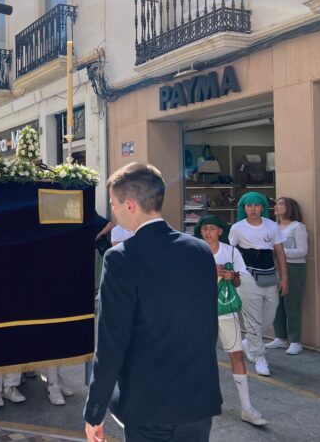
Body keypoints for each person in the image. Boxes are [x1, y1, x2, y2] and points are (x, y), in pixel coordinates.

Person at [84, 162, 221, 442]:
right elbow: (207, 325)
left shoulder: (121, 258)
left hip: (149, 406)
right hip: (198, 401)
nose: (114, 211)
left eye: (114, 203)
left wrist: (94, 410)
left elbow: (112, 343)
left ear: (130, 205)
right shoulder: (200, 250)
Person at [195, 215, 268, 426]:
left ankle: (247, 408)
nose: (208, 232)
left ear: (220, 231)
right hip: (200, 311)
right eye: (204, 228)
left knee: (236, 355)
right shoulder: (194, 250)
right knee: (201, 356)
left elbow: (238, 281)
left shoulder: (232, 251)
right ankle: (205, 399)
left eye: (212, 228)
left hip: (225, 310)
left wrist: (231, 276)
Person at [229, 192, 289, 377]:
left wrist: (284, 278)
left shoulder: (272, 226)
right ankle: (259, 356)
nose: (253, 208)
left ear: (263, 207)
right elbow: (230, 254)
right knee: (253, 319)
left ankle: (250, 343)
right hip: (247, 275)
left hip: (270, 275)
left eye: (256, 205)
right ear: (243, 208)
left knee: (268, 316)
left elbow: (280, 253)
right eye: (249, 205)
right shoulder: (237, 228)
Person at [268, 197, 308, 356]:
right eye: (276, 204)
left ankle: (295, 341)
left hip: (294, 268)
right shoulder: (273, 227)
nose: (276, 206)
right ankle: (280, 337)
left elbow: (303, 251)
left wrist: (280, 252)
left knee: (292, 304)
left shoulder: (297, 227)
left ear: (290, 208)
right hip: (273, 268)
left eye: (281, 204)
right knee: (276, 304)